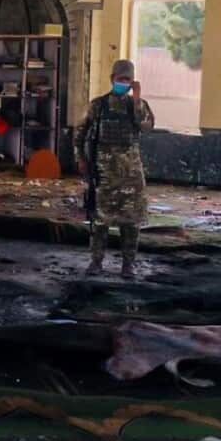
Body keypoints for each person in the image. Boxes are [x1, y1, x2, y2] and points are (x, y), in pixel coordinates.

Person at [75, 59, 155, 279]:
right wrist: (81, 159)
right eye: (120, 79)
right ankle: (96, 262)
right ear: (112, 79)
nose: (124, 83)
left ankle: (128, 265)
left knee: (131, 223)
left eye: (127, 80)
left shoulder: (137, 106)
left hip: (130, 176)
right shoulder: (98, 105)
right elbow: (79, 134)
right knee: (99, 221)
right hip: (103, 174)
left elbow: (146, 126)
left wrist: (137, 100)